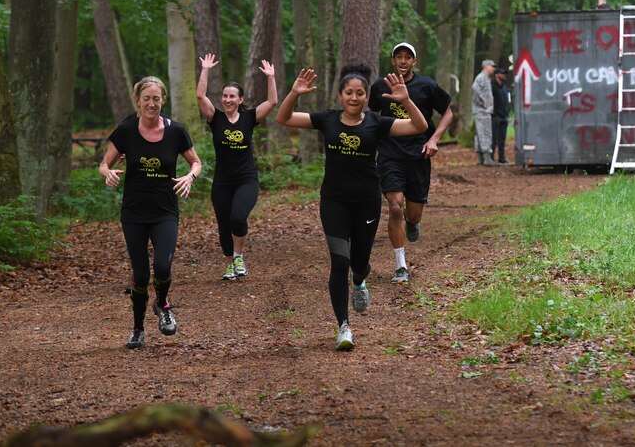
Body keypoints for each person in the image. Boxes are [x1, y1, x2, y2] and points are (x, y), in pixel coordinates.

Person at [276, 63, 427, 351]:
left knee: (358, 263)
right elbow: (283, 118)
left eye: (360, 93)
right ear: (340, 96)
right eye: (349, 93)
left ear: (367, 97)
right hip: (334, 201)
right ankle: (344, 327)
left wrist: (406, 100)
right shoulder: (327, 120)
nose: (354, 98)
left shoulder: (376, 123)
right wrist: (294, 93)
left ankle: (360, 280)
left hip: (367, 201)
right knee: (339, 262)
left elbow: (419, 126)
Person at [100, 76, 202, 350]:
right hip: (133, 213)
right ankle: (137, 329)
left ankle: (163, 304)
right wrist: (108, 172)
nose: (151, 103)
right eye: (146, 98)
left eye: (156, 98)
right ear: (138, 100)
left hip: (165, 211)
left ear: (163, 100)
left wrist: (190, 176)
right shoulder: (126, 131)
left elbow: (196, 162)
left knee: (163, 267)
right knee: (141, 276)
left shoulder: (176, 131)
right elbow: (103, 163)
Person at [368, 42, 454, 284]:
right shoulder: (379, 87)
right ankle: (400, 267)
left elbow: (448, 112)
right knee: (395, 207)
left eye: (408, 57)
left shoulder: (426, 86)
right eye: (399, 57)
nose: (403, 61)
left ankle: (413, 222)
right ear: (393, 61)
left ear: (414, 62)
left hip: (418, 156)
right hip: (389, 155)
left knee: (413, 215)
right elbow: (373, 115)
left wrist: (434, 139)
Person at [196, 54, 278, 282]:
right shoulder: (216, 118)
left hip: (246, 180)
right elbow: (200, 95)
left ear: (241, 99)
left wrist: (271, 77)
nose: (227, 99)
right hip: (222, 182)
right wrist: (205, 70)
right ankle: (230, 262)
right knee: (224, 229)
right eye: (224, 96)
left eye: (232, 96)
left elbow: (272, 102)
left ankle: (239, 256)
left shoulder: (249, 118)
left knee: (238, 217)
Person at [471, 59, 497, 166]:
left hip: (483, 111)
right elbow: (475, 89)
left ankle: (480, 158)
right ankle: (486, 158)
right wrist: (483, 103)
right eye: (492, 66)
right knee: (485, 132)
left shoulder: (486, 78)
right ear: (486, 66)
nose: (494, 68)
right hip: (482, 111)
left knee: (480, 133)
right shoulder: (481, 77)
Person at [491, 66, 511, 164]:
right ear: (496, 75)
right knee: (494, 138)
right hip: (495, 116)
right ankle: (491, 157)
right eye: (502, 73)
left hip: (504, 115)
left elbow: (507, 100)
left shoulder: (504, 87)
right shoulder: (491, 86)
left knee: (502, 139)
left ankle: (502, 158)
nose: (504, 75)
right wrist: (494, 113)